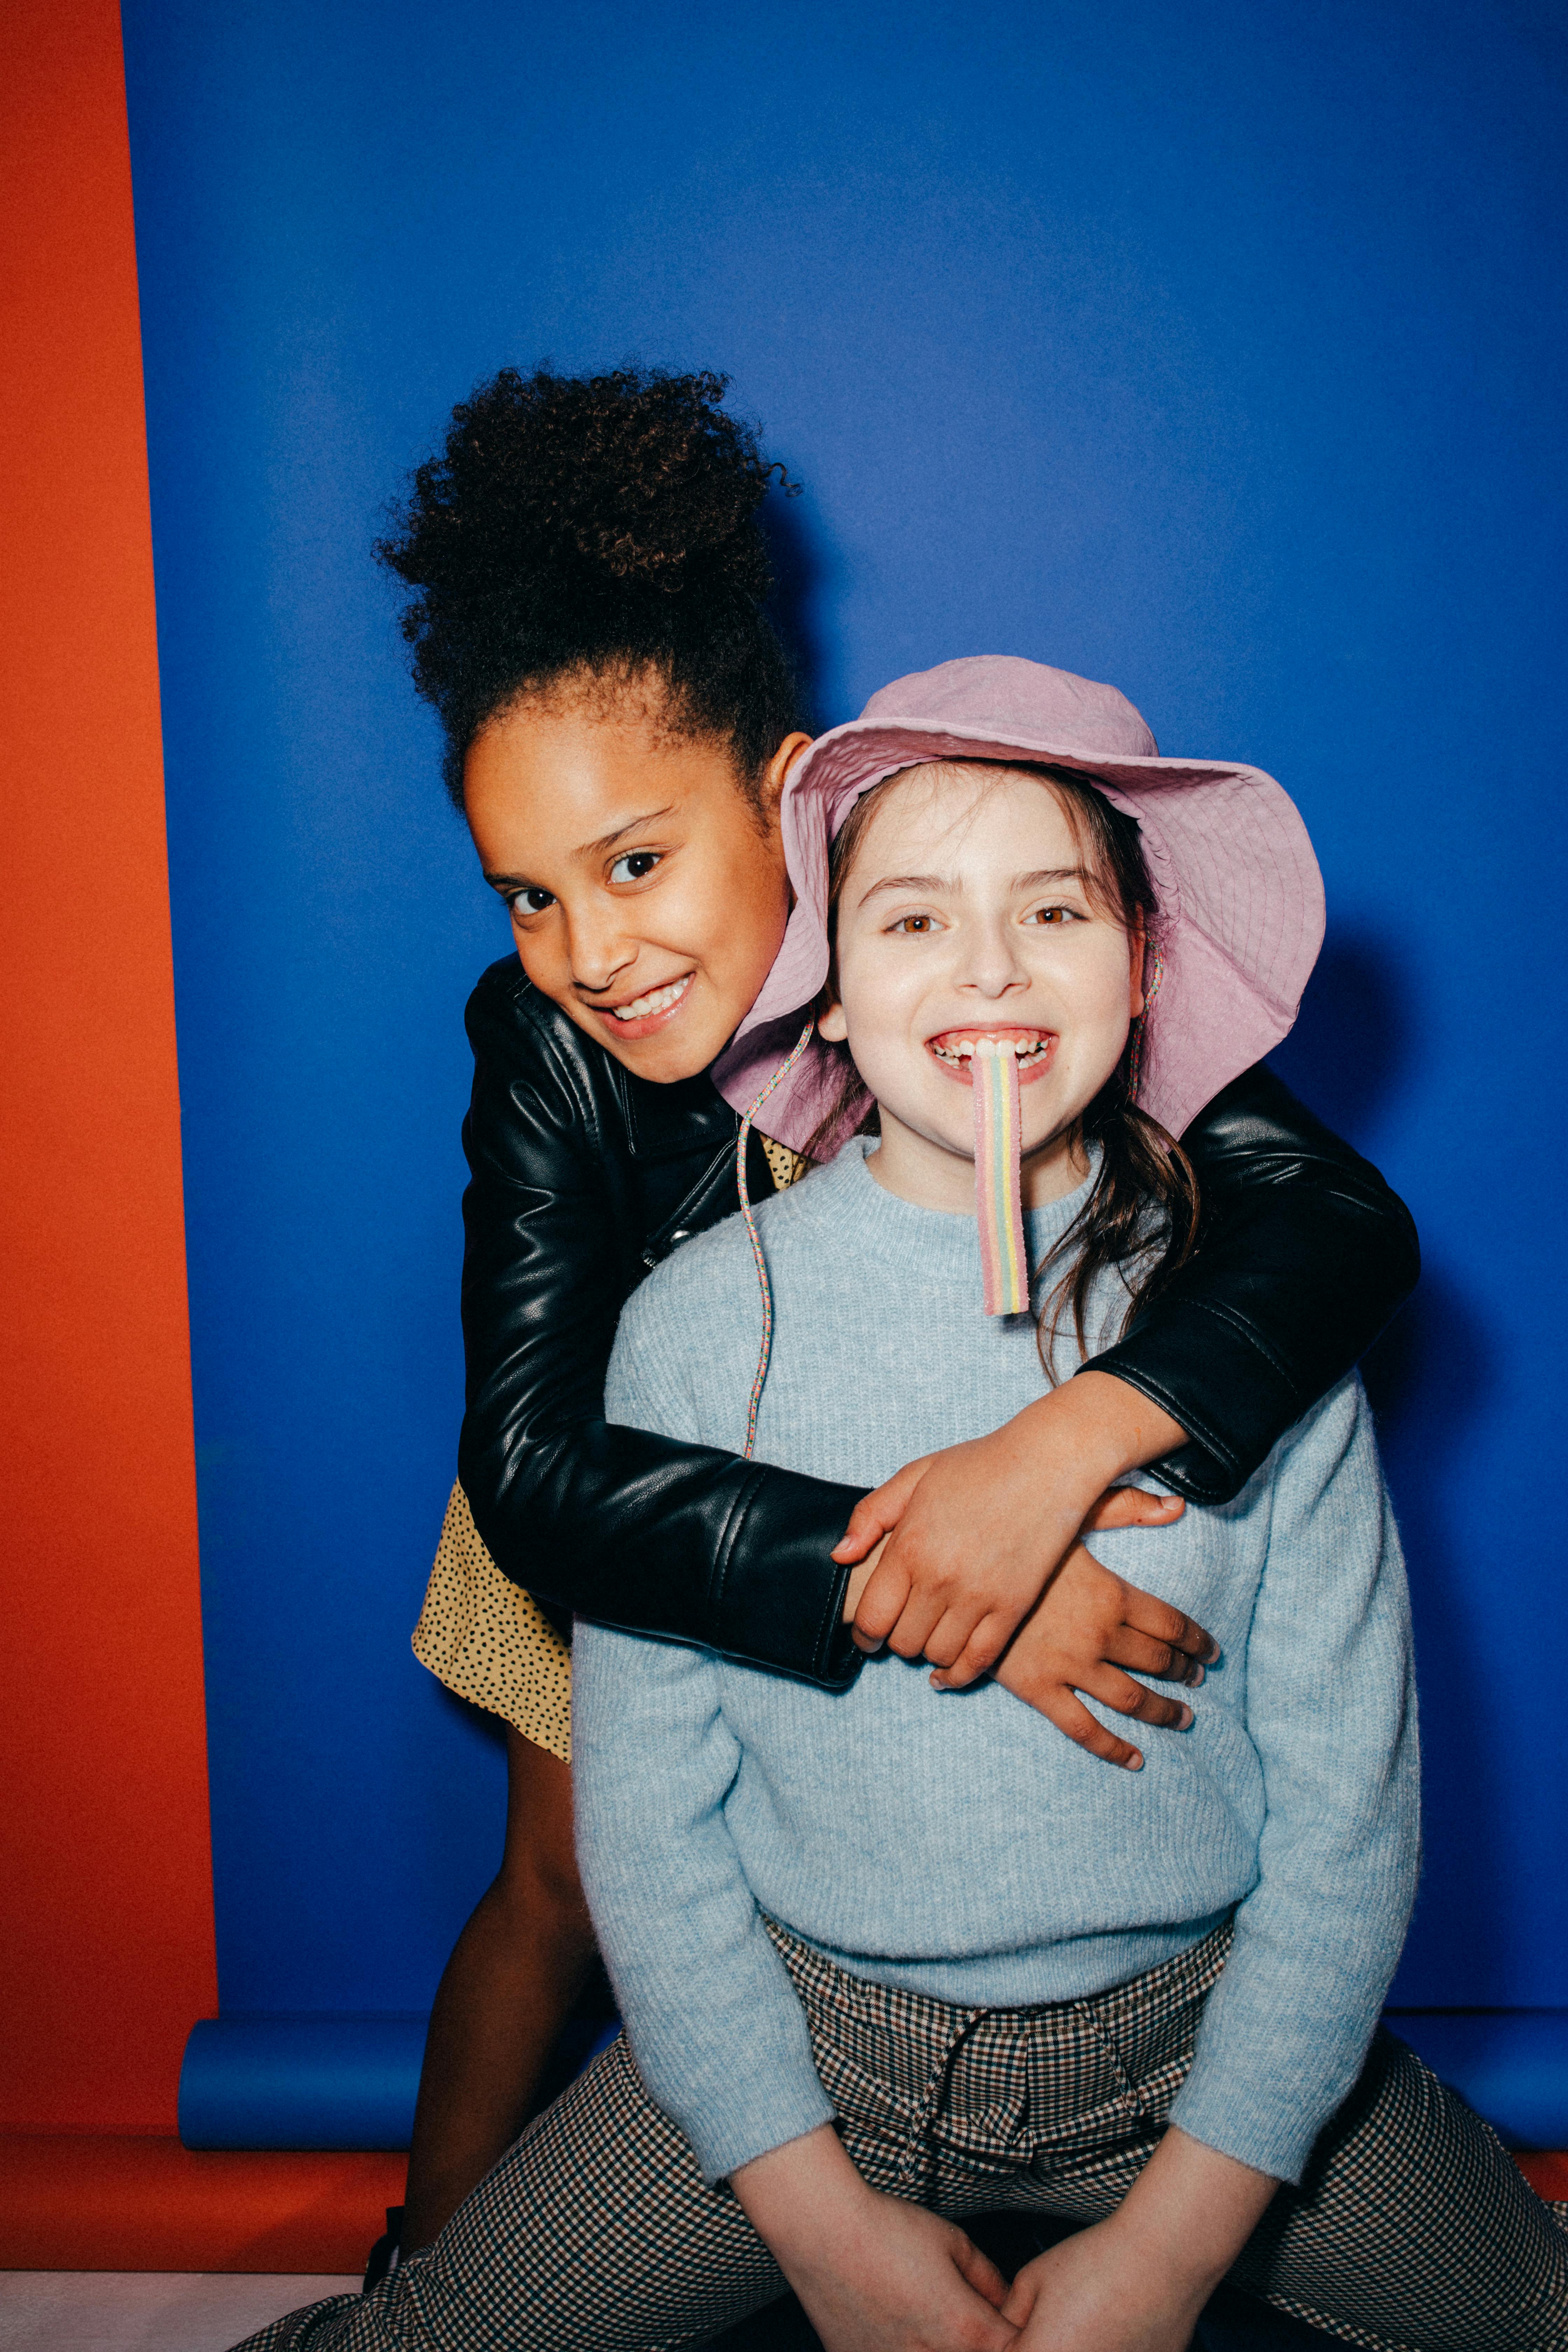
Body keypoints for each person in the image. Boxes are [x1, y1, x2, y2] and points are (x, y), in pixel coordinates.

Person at [234, 660, 1565, 2352]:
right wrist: (808, 2215)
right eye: (916, 921)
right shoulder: (688, 1306)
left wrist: (1170, 2248)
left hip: (1202, 2036)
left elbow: (1347, 1831)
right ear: (835, 989)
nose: (992, 965)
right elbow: (628, 1766)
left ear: (1144, 971)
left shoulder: (1256, 1310)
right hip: (793, 2019)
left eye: (1056, 914)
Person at [374, 366, 1419, 2255]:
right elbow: (536, 1464)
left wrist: (1060, 1452)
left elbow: (1336, 1225)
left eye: (634, 863)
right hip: (632, 1490)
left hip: (939, 1459)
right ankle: (432, 2265)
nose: (590, 952)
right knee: (562, 1888)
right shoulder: (541, 1042)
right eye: (525, 897)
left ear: (787, 797)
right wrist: (943, 1582)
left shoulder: (975, 929)